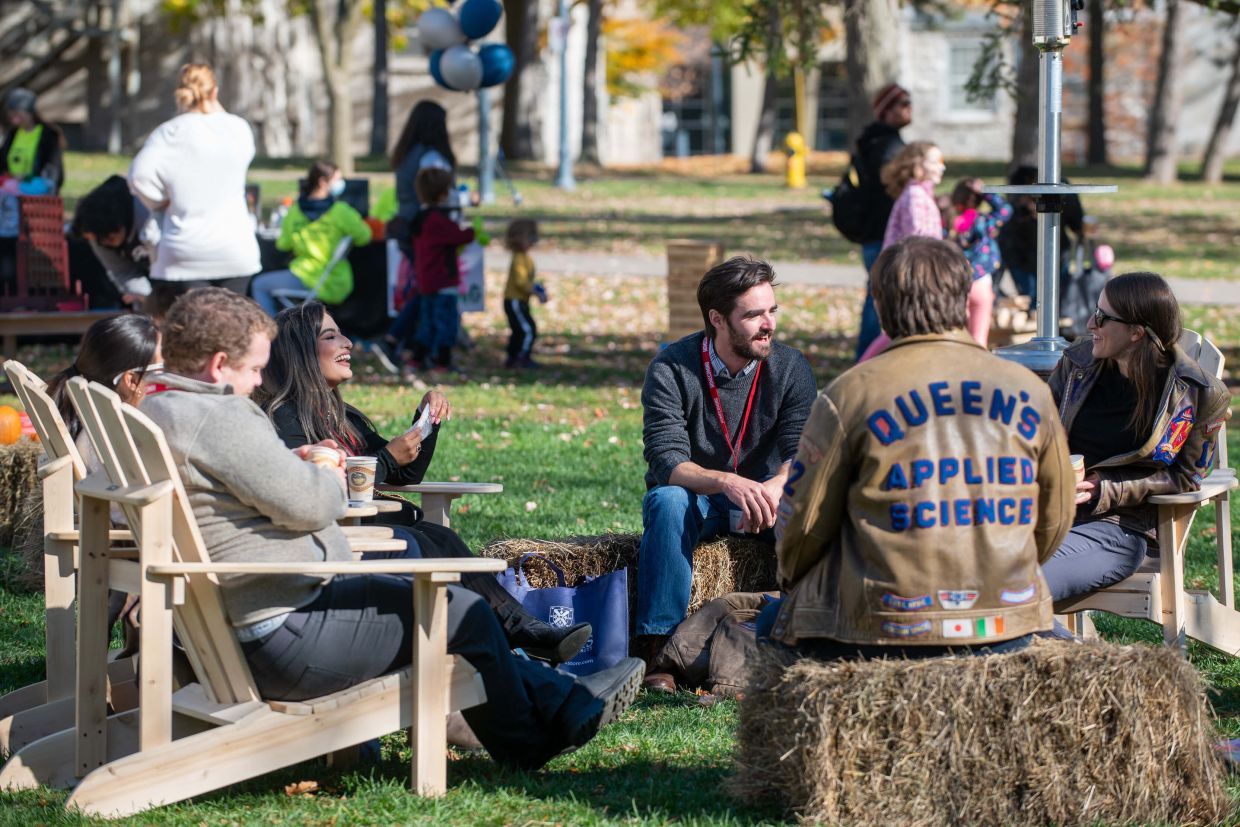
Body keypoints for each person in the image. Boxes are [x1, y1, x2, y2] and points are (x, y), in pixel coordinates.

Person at [141, 287, 644, 768]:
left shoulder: (158, 408)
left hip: (232, 623)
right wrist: (323, 472)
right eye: (253, 368)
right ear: (218, 366)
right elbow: (315, 504)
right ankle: (538, 734)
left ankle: (564, 703)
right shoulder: (223, 416)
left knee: (451, 600)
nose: (257, 381)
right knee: (460, 612)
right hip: (281, 636)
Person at [761, 236, 1075, 659]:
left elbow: (805, 522)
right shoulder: (1029, 390)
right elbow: (1056, 516)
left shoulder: (851, 393)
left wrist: (795, 579)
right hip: (1007, 619)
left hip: (887, 626)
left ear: (882, 305)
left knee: (765, 625)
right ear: (964, 300)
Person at [255, 300, 591, 664]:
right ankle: (512, 638)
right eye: (330, 336)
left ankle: (517, 633)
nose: (348, 343)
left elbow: (403, 474)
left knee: (439, 535)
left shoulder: (341, 416)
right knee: (428, 539)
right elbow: (317, 488)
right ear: (300, 352)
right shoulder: (282, 418)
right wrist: (387, 459)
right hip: (343, 539)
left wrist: (425, 422)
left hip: (381, 528)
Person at [634, 256, 816, 692]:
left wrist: (773, 486)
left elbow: (803, 451)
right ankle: (660, 653)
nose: (767, 323)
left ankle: (806, 635)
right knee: (667, 500)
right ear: (717, 319)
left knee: (810, 500)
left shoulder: (791, 368)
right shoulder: (671, 368)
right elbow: (668, 461)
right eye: (753, 315)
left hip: (768, 499)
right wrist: (728, 482)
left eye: (772, 310)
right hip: (704, 496)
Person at [1041, 272, 1231, 605]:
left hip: (1121, 529)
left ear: (1135, 332)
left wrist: (1106, 488)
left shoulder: (1196, 393)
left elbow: (1185, 477)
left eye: (1101, 316)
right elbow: (1035, 431)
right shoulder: (1077, 365)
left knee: (1020, 581)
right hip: (1047, 513)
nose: (1089, 324)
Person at [128, 63, 261, 303]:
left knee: (197, 328)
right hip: (235, 246)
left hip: (186, 248)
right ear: (214, 92)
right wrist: (212, 101)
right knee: (233, 327)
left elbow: (139, 176)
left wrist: (159, 202)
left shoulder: (169, 132)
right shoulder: (238, 129)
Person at [375, 101, 460, 371]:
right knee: (429, 293)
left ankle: (414, 347)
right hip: (426, 230)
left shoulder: (406, 155)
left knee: (424, 291)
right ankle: (399, 339)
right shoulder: (431, 158)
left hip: (408, 227)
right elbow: (441, 192)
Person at [857, 141, 947, 362]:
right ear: (917, 164)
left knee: (900, 332)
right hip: (910, 276)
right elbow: (918, 241)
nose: (942, 167)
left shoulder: (918, 194)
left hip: (914, 273)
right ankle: (865, 367)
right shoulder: (915, 196)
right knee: (897, 333)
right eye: (936, 162)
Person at [250, 160, 372, 316]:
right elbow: (365, 236)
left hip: (305, 275)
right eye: (337, 179)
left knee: (259, 284)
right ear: (323, 182)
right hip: (336, 280)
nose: (341, 184)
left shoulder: (295, 211)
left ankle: (272, 334)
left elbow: (283, 245)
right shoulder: (341, 211)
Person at [852, 82, 911, 360]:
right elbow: (895, 190)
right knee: (879, 301)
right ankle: (867, 360)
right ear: (886, 111)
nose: (909, 108)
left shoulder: (874, 141)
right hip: (883, 233)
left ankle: (869, 358)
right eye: (902, 104)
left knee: (876, 298)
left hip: (875, 233)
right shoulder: (887, 146)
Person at [410, 167, 475, 372]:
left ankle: (418, 358)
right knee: (446, 322)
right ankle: (442, 361)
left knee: (427, 322)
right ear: (443, 193)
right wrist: (474, 230)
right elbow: (459, 236)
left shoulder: (419, 218)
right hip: (443, 280)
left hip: (426, 280)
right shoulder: (438, 220)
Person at [70, 175, 160, 307]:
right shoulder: (97, 235)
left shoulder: (149, 219)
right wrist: (146, 300)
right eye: (95, 241)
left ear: (120, 224)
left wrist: (160, 299)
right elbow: (123, 272)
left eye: (108, 238)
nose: (102, 244)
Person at [945, 177, 1013, 347]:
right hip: (981, 282)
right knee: (978, 339)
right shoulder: (983, 222)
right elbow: (1005, 209)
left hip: (954, 283)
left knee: (954, 337)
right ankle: (975, 371)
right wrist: (986, 192)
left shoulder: (948, 222)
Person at [1, 87, 64, 193]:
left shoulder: (48, 135)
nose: (13, 116)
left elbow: (52, 169)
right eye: (11, 113)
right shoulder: (13, 134)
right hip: (11, 185)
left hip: (34, 187)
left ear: (29, 112)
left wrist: (27, 177)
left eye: (17, 112)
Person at [503, 218, 547, 369]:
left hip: (520, 300)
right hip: (514, 300)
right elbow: (520, 281)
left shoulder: (526, 258)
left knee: (520, 330)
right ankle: (521, 357)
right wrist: (534, 290)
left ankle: (514, 357)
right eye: (531, 236)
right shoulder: (519, 259)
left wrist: (538, 288)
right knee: (527, 329)